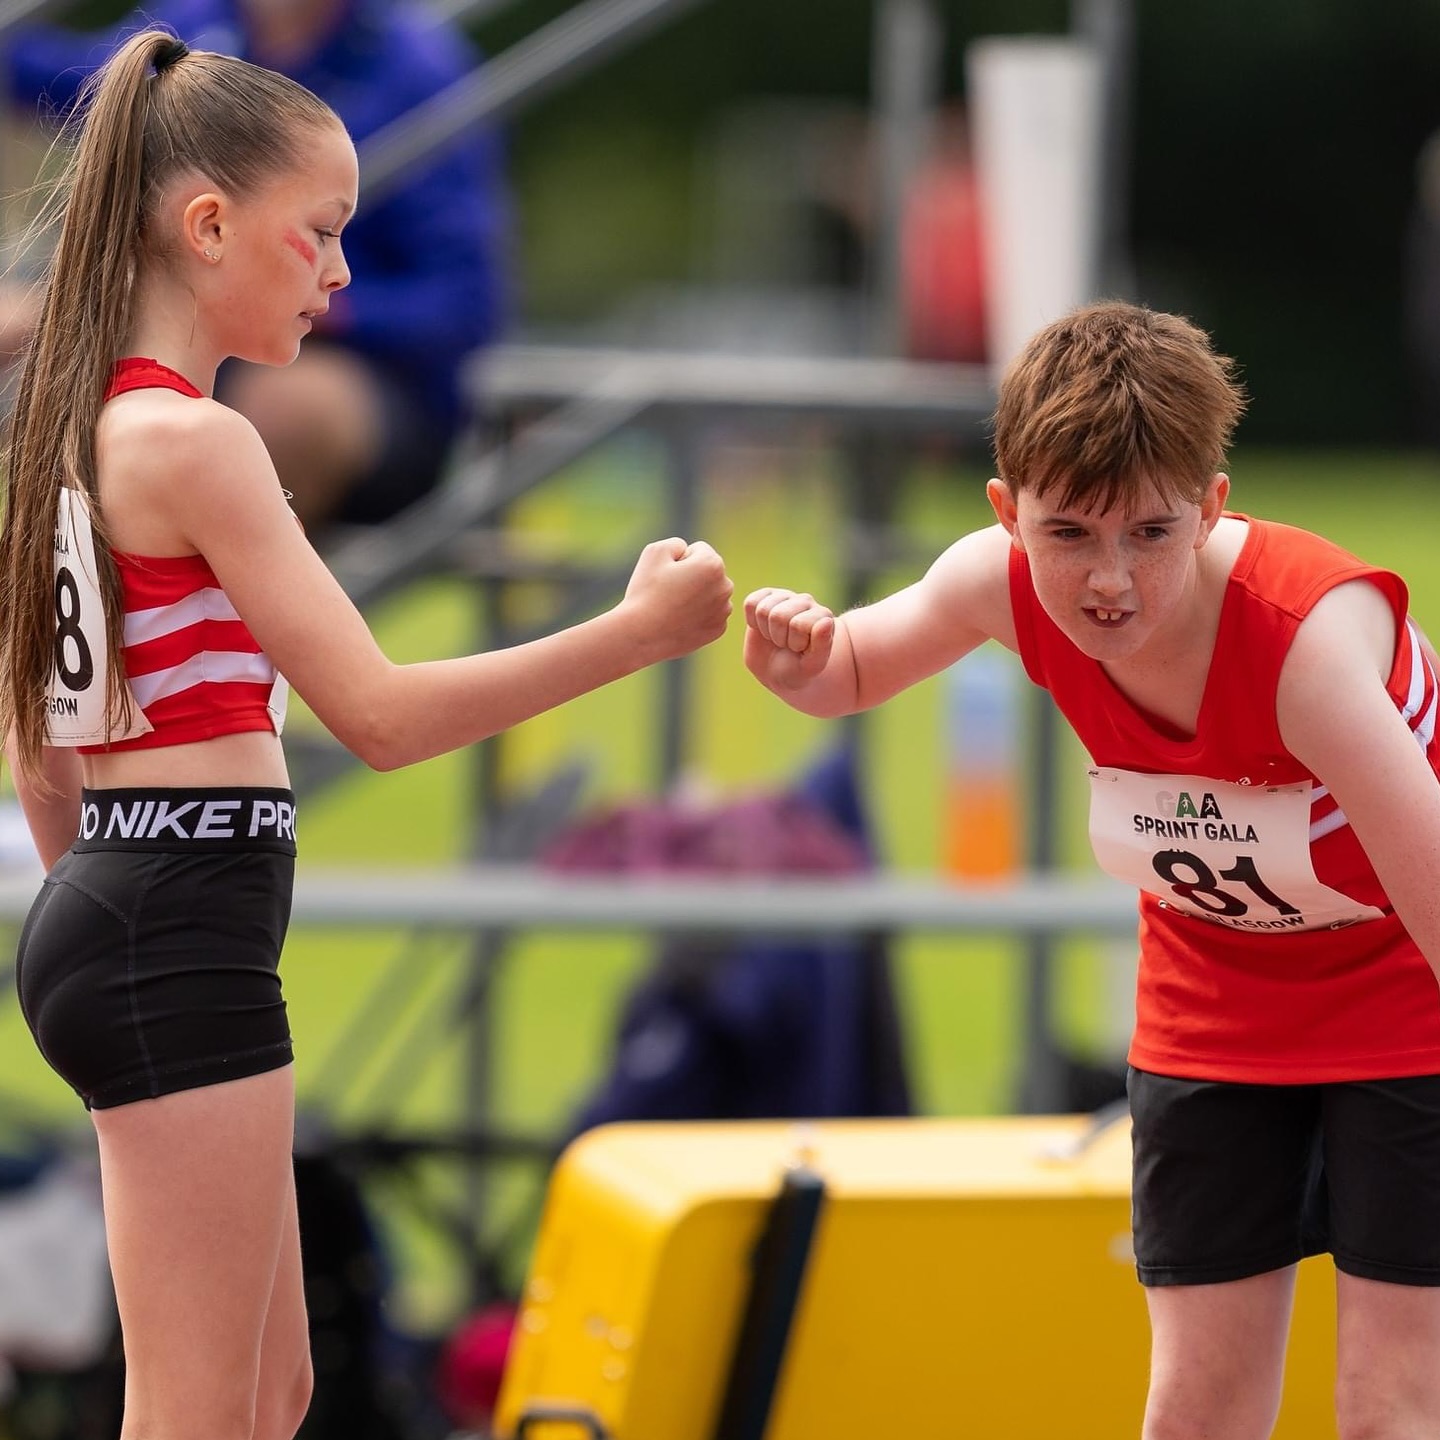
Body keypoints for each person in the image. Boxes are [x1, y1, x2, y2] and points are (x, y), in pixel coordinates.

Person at [0, 29, 730, 1440]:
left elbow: (45, 757)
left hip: (141, 902)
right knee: (204, 1406)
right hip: (172, 917)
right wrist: (633, 635)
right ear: (208, 227)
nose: (342, 274)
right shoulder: (195, 445)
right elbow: (380, 717)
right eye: (321, 235)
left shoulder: (72, 429)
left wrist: (112, 898)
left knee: (273, 1391)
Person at [743, 299, 1440, 1440]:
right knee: (1192, 1410)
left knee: (1387, 1410)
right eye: (1069, 535)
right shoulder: (997, 581)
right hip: (1215, 1002)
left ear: (1212, 508)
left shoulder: (1305, 649)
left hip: (1407, 998)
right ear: (1008, 514)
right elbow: (856, 667)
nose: (1108, 582)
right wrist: (798, 659)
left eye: (1151, 536)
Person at [4, 0, 508, 534]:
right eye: (320, 232)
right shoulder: (192, 24)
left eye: (329, 230)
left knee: (276, 410)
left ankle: (224, 601)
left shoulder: (417, 71)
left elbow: (462, 305)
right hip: (213, 321)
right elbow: (76, 83)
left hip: (373, 383)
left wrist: (320, 306)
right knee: (21, 327)